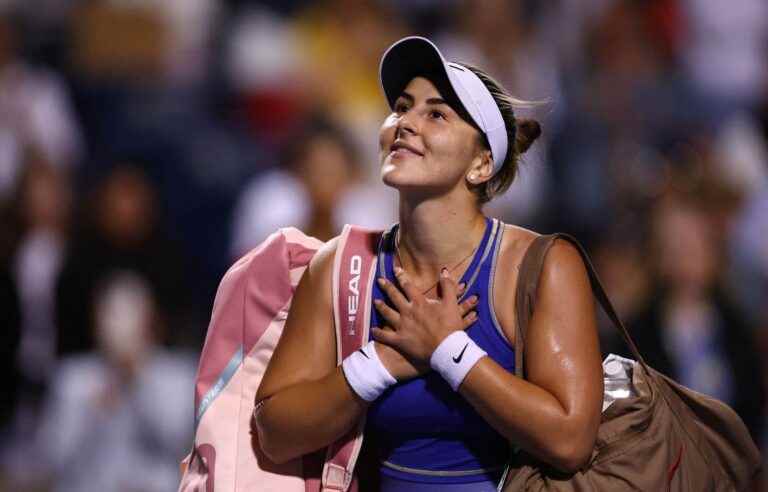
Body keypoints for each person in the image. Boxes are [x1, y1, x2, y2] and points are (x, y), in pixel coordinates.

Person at [254, 36, 603, 491]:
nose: (405, 123)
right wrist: (382, 361)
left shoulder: (544, 266)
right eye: (401, 107)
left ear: (480, 164)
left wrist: (449, 353)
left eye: (435, 114)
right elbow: (275, 432)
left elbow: (570, 439)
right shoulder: (340, 266)